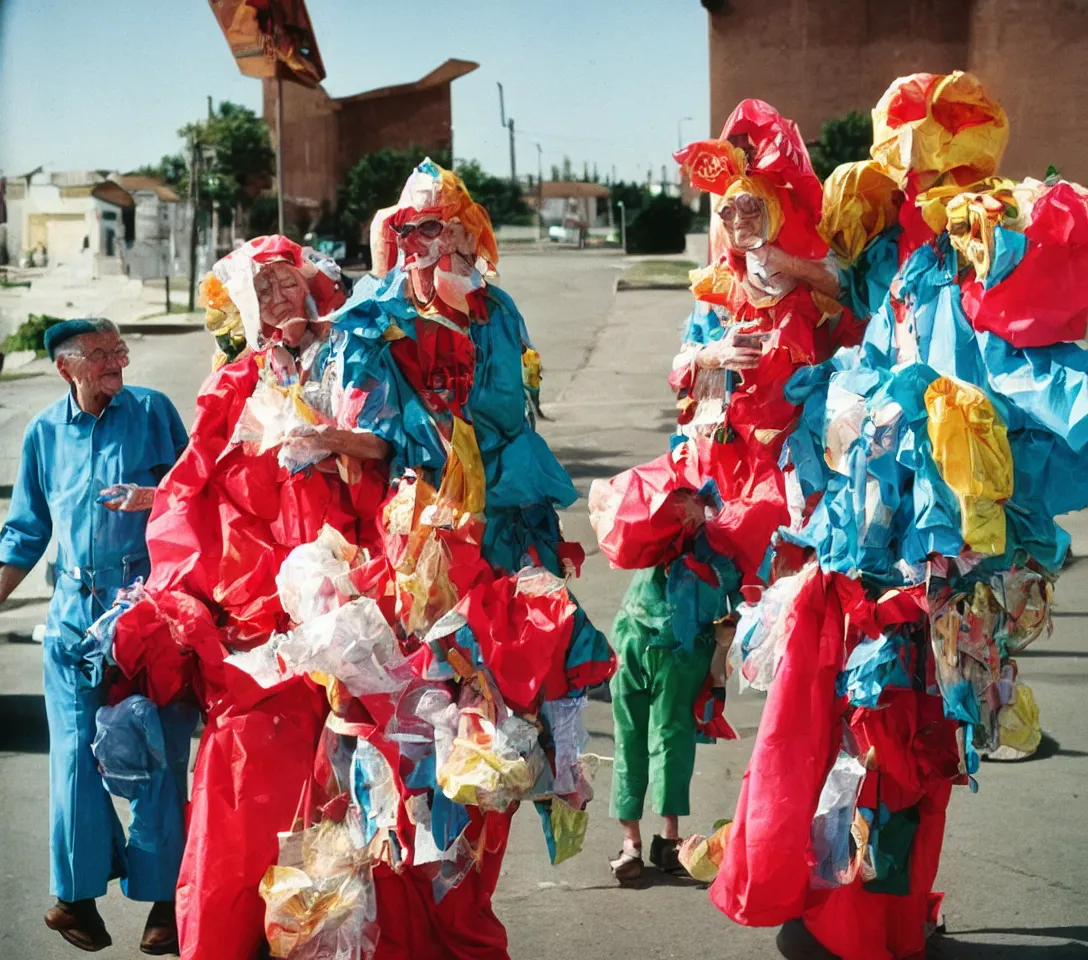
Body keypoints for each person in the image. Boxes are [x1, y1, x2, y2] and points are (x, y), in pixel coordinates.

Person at [590, 101, 843, 885]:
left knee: (792, 641)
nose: (738, 221)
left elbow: (850, 321)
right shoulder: (716, 288)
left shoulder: (806, 285)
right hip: (712, 471)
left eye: (751, 206)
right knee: (688, 639)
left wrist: (798, 278)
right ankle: (668, 830)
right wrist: (707, 359)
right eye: (728, 210)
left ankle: (792, 826)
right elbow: (682, 370)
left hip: (783, 479)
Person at [102, 237, 376, 960]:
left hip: (346, 625)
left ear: (314, 286)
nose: (279, 295)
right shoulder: (233, 384)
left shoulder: (350, 364)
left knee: (346, 811)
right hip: (254, 641)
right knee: (246, 805)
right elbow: (190, 493)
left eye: (288, 280)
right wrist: (187, 603)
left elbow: (392, 465)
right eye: (264, 287)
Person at [0, 317, 191, 954]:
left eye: (120, 351)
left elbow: (200, 493)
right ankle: (74, 897)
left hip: (146, 614)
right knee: (75, 758)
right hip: (71, 621)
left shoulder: (154, 413)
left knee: (157, 755)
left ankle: (165, 901)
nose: (118, 362)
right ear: (67, 368)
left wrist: (152, 497)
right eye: (103, 354)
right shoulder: (43, 433)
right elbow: (25, 533)